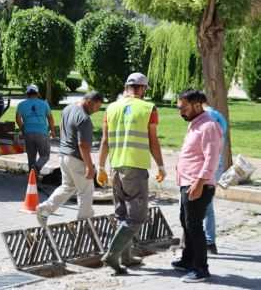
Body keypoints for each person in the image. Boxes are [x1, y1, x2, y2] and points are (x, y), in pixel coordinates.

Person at [97, 72, 166, 274]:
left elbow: (104, 141)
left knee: (122, 214)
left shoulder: (110, 108)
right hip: (135, 168)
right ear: (143, 88)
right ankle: (112, 254)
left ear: (127, 86)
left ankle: (126, 257)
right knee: (136, 217)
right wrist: (161, 166)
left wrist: (100, 168)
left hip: (116, 167)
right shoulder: (148, 108)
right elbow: (153, 141)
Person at [172, 89, 223, 283]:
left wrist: (199, 182)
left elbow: (212, 159)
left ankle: (201, 268)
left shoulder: (209, 125)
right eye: (179, 108)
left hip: (197, 184)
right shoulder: (196, 122)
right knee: (186, 223)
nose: (181, 112)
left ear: (197, 105)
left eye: (183, 108)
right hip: (188, 182)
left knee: (194, 226)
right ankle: (188, 260)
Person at [35, 91, 104, 227]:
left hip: (63, 156)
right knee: (86, 190)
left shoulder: (68, 109)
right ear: (89, 102)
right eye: (96, 107)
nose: (96, 111)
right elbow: (83, 145)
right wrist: (90, 166)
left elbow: (61, 127)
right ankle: (85, 222)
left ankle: (45, 208)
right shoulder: (83, 118)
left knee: (68, 186)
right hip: (76, 158)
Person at [198, 92, 227, 255]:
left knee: (204, 204)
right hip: (218, 163)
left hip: (207, 165)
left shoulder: (207, 117)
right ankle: (207, 240)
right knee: (206, 203)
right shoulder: (219, 116)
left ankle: (209, 241)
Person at [16, 84, 55, 175]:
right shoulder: (44, 104)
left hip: (28, 133)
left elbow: (18, 119)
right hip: (42, 133)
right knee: (45, 156)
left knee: (31, 158)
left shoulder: (21, 104)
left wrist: (23, 129)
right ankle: (37, 167)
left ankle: (33, 183)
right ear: (37, 93)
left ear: (27, 93)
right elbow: (50, 118)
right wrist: (52, 130)